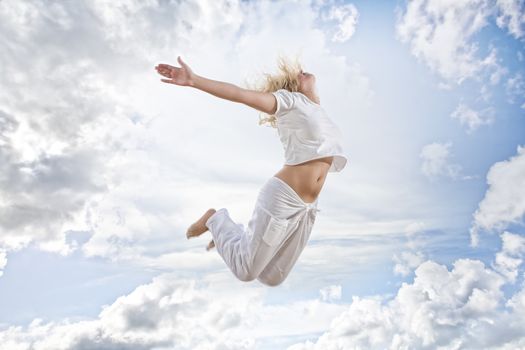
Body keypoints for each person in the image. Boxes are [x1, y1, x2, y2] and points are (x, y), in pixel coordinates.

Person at [155, 55, 348, 286]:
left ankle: (233, 236)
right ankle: (215, 219)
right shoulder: (290, 102)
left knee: (272, 277)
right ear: (291, 87)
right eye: (297, 74)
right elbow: (239, 94)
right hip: (283, 197)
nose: (302, 72)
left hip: (307, 209)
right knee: (246, 271)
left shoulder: (320, 112)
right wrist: (194, 80)